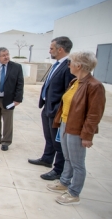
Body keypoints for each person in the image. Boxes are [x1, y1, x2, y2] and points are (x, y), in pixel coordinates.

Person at [46, 51, 106, 205]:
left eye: (70, 62)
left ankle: (74, 193)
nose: (68, 65)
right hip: (66, 124)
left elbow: (94, 114)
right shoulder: (75, 82)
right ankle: (64, 182)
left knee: (77, 163)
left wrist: (87, 135)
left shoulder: (95, 86)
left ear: (78, 65)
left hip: (77, 128)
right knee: (67, 158)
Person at [28, 37, 75, 180]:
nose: (49, 51)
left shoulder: (68, 67)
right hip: (47, 107)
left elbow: (69, 91)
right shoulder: (56, 65)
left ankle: (58, 170)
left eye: (51, 48)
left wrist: (57, 109)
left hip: (56, 110)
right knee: (49, 137)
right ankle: (47, 159)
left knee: (58, 141)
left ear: (60, 49)